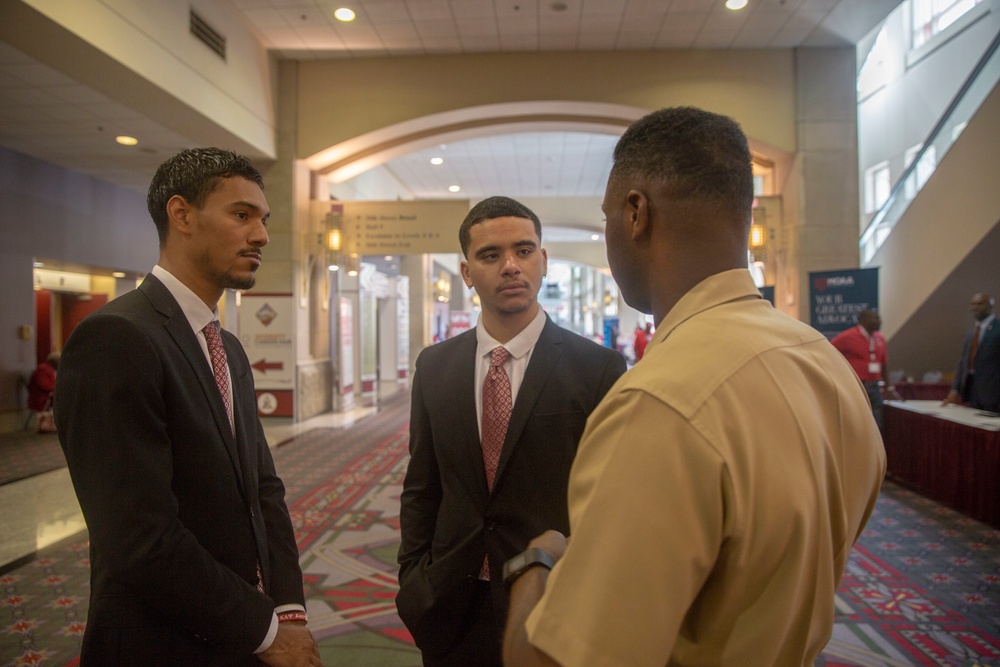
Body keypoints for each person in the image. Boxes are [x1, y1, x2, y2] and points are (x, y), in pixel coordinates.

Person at [503, 107, 886, 667]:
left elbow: (548, 660)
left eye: (608, 214)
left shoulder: (659, 403)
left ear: (636, 213)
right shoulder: (824, 364)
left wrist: (536, 564)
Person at [55, 148, 320, 666]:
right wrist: (264, 630)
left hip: (236, 628)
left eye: (263, 220)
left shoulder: (228, 348)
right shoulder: (117, 337)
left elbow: (263, 491)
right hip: (160, 641)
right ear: (182, 215)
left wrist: (286, 610)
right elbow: (139, 536)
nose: (262, 235)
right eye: (242, 216)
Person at [397, 196, 626, 666]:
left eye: (523, 251)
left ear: (543, 261)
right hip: (451, 601)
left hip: (551, 596)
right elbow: (423, 485)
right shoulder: (435, 366)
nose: (510, 267)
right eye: (490, 255)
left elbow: (611, 497)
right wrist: (413, 581)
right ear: (466, 272)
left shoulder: (596, 368)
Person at [830, 308, 893, 429]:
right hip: (856, 387)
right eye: (874, 318)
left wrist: (889, 387)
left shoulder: (880, 339)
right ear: (862, 320)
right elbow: (829, 353)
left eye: (879, 319)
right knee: (857, 424)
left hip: (874, 387)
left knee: (877, 425)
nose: (879, 321)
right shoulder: (847, 337)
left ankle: (875, 447)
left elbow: (884, 365)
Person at [942, 292, 999, 412]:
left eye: (980, 303)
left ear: (990, 305)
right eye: (972, 304)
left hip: (994, 395)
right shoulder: (971, 333)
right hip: (973, 392)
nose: (975, 307)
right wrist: (955, 390)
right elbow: (963, 362)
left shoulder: (998, 329)